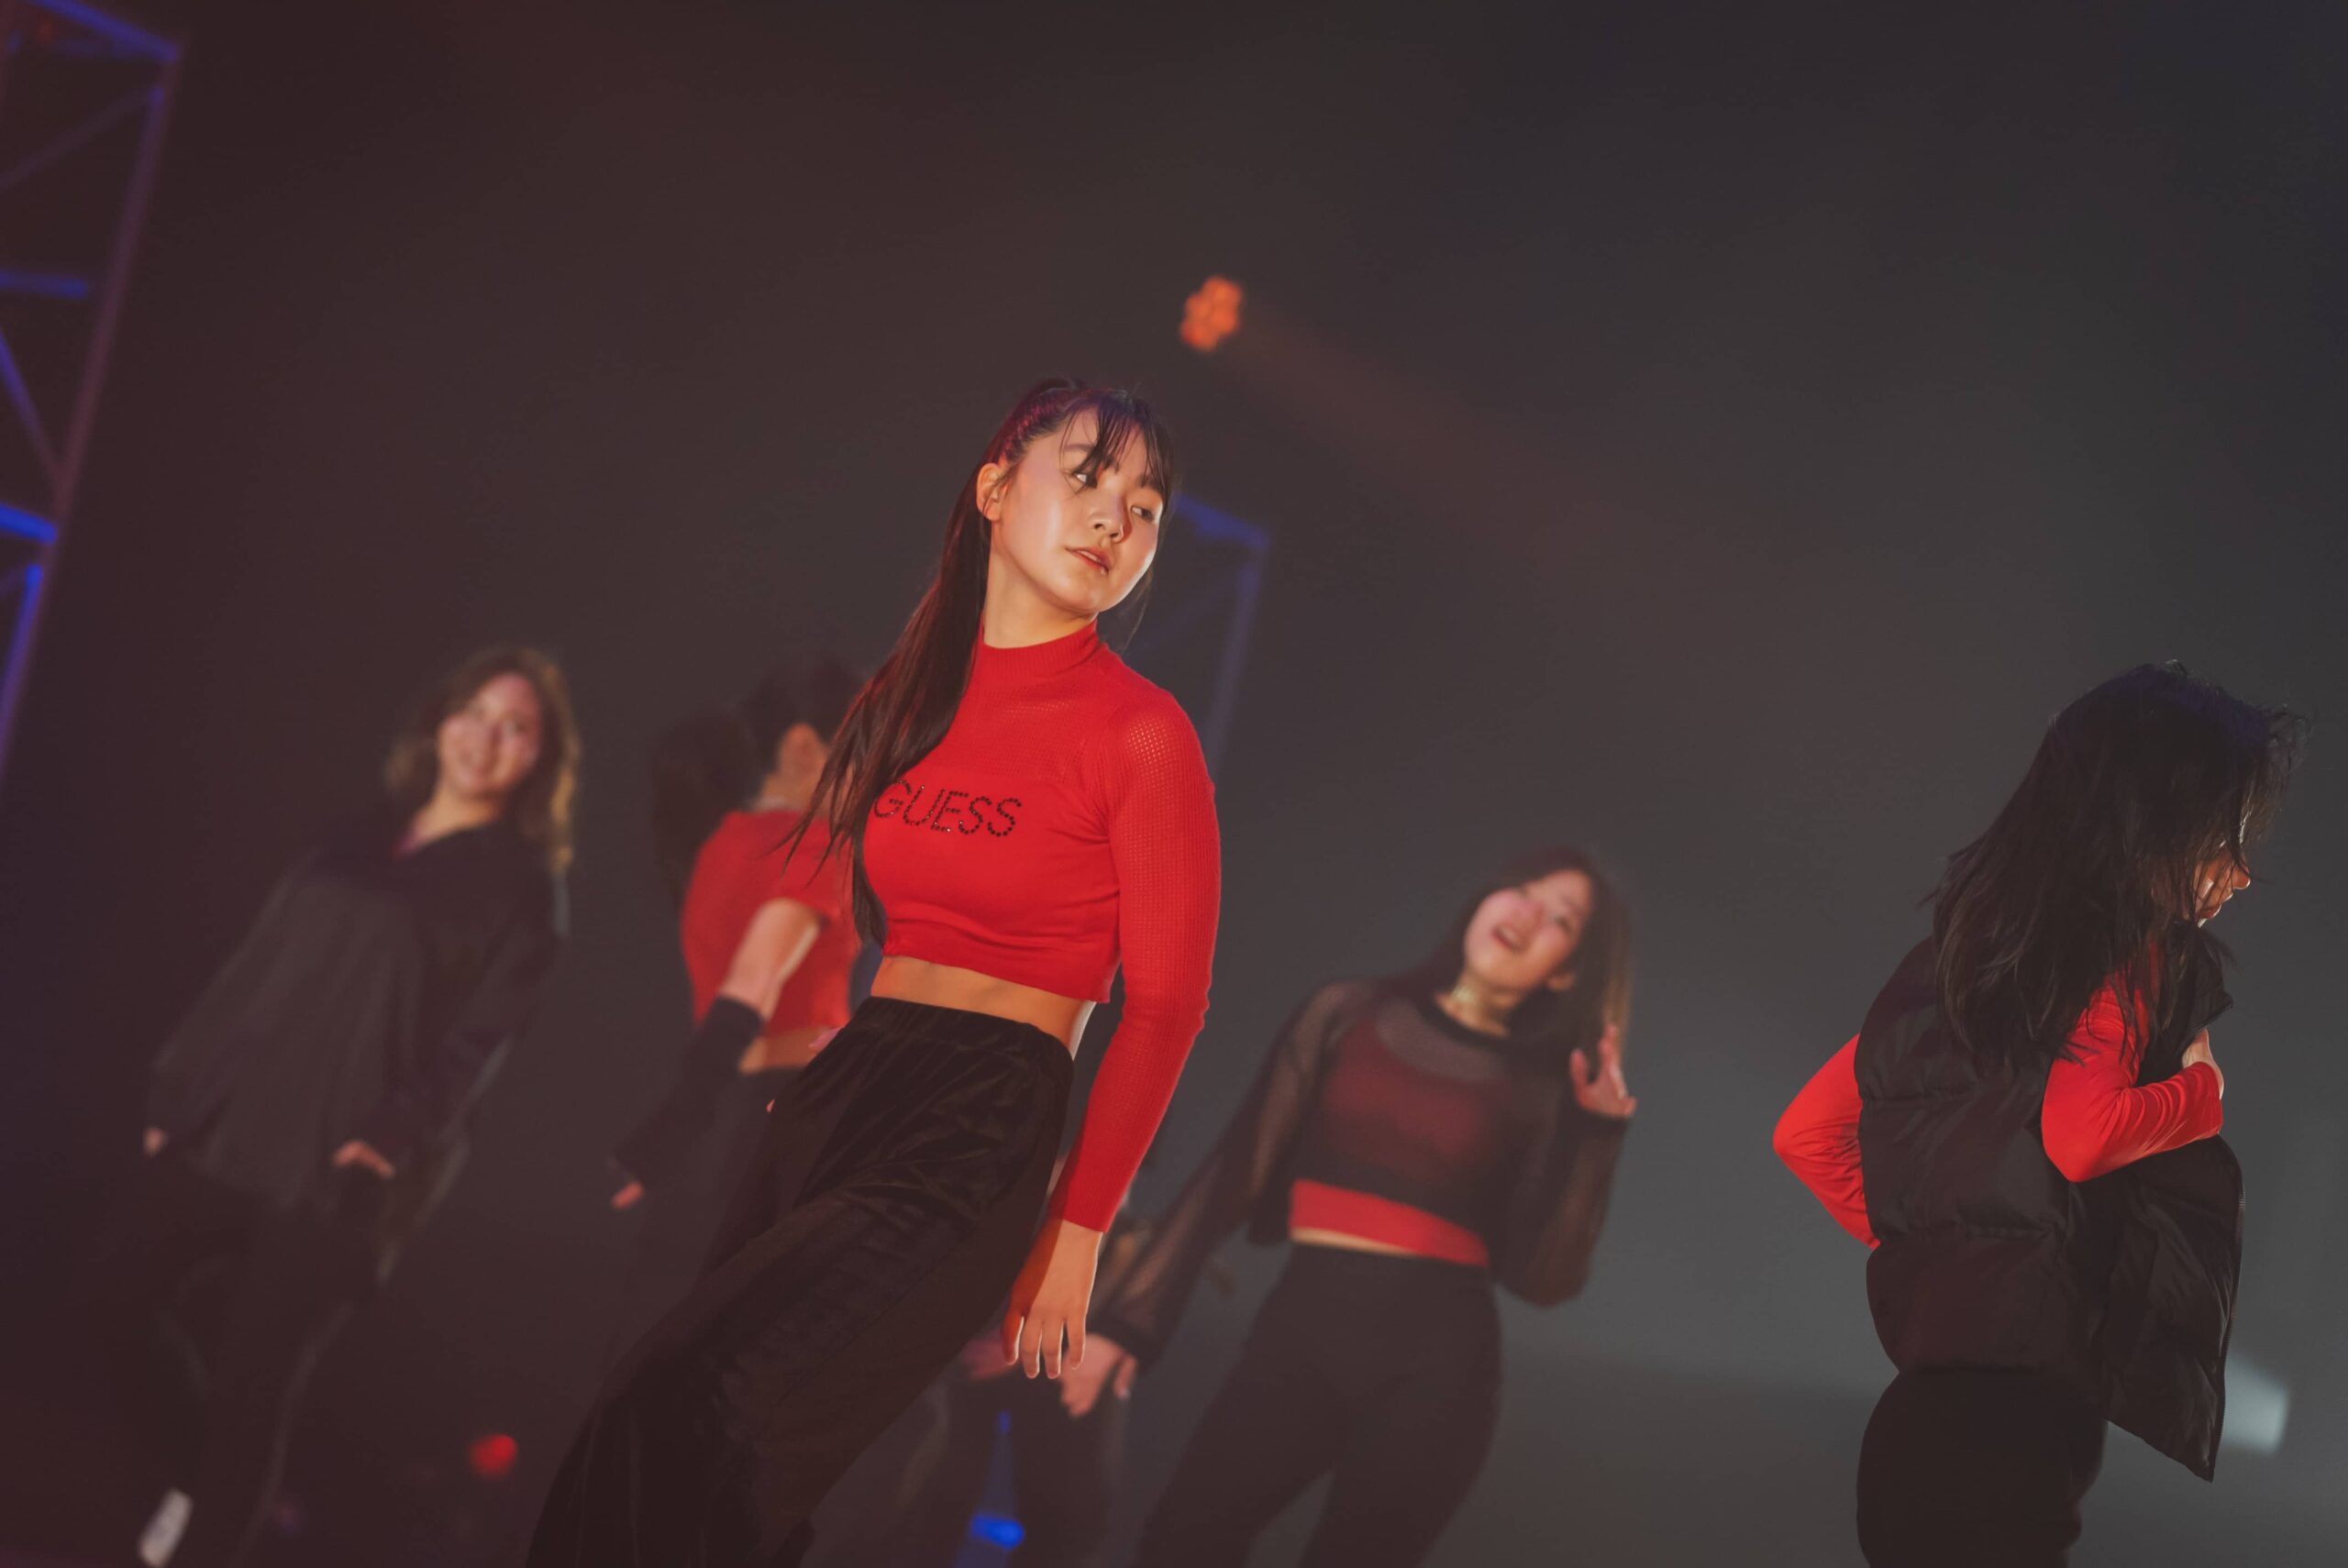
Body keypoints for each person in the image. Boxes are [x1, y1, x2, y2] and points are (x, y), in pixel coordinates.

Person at [529, 379, 1221, 1567]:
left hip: (982, 1117)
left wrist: (1077, 1231)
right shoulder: (903, 705)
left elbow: (1166, 1007)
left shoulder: (1141, 733)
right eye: (1088, 476)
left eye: (1147, 505)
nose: (1118, 518)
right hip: (847, 1083)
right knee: (682, 1449)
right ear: (994, 488)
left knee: (705, 1406)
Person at [1773, 663, 2305, 1567]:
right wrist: (2199, 1098)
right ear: (2155, 821)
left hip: (1912, 1425)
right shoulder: (2129, 954)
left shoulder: (1951, 970)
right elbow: (2083, 1136)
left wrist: (1955, 1247)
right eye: (2228, 833)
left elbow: (1806, 1134)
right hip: (2009, 1437)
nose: (2242, 872)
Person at [91, 645, 577, 1568]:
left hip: (349, 1163)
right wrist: (177, 1090)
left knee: (252, 1385)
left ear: (539, 762)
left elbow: (481, 1041)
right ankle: (195, 1473)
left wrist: (391, 1136)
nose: (486, 739)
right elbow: (256, 967)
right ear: (440, 723)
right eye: (475, 714)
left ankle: (204, 1536)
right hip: (234, 1126)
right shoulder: (354, 839)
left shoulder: (522, 889)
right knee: (112, 1298)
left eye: (516, 729)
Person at [1078, 845, 1637, 1568]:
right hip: (1301, 1331)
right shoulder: (1347, 1012)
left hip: (1439, 1366)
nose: (1527, 913)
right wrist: (1128, 1325)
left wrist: (1597, 1136)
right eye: (1523, 889)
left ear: (1565, 972)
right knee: (1181, 1543)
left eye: (1560, 919)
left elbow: (1546, 1279)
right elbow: (1234, 1174)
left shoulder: (1542, 1087)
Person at [606, 660, 863, 1241]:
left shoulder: (719, 845)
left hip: (726, 1120)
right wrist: (675, 1122)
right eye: (866, 747)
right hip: (796, 1118)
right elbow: (754, 981)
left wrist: (683, 1126)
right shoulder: (817, 844)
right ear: (803, 748)